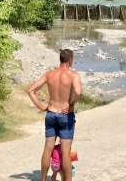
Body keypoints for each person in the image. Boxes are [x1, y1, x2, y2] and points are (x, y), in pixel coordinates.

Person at [27, 48, 82, 181]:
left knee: (48, 148)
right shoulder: (73, 75)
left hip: (51, 114)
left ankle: (43, 179)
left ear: (60, 59)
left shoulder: (49, 74)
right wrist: (71, 104)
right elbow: (78, 92)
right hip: (65, 116)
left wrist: (41, 106)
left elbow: (31, 91)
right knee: (65, 151)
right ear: (70, 60)